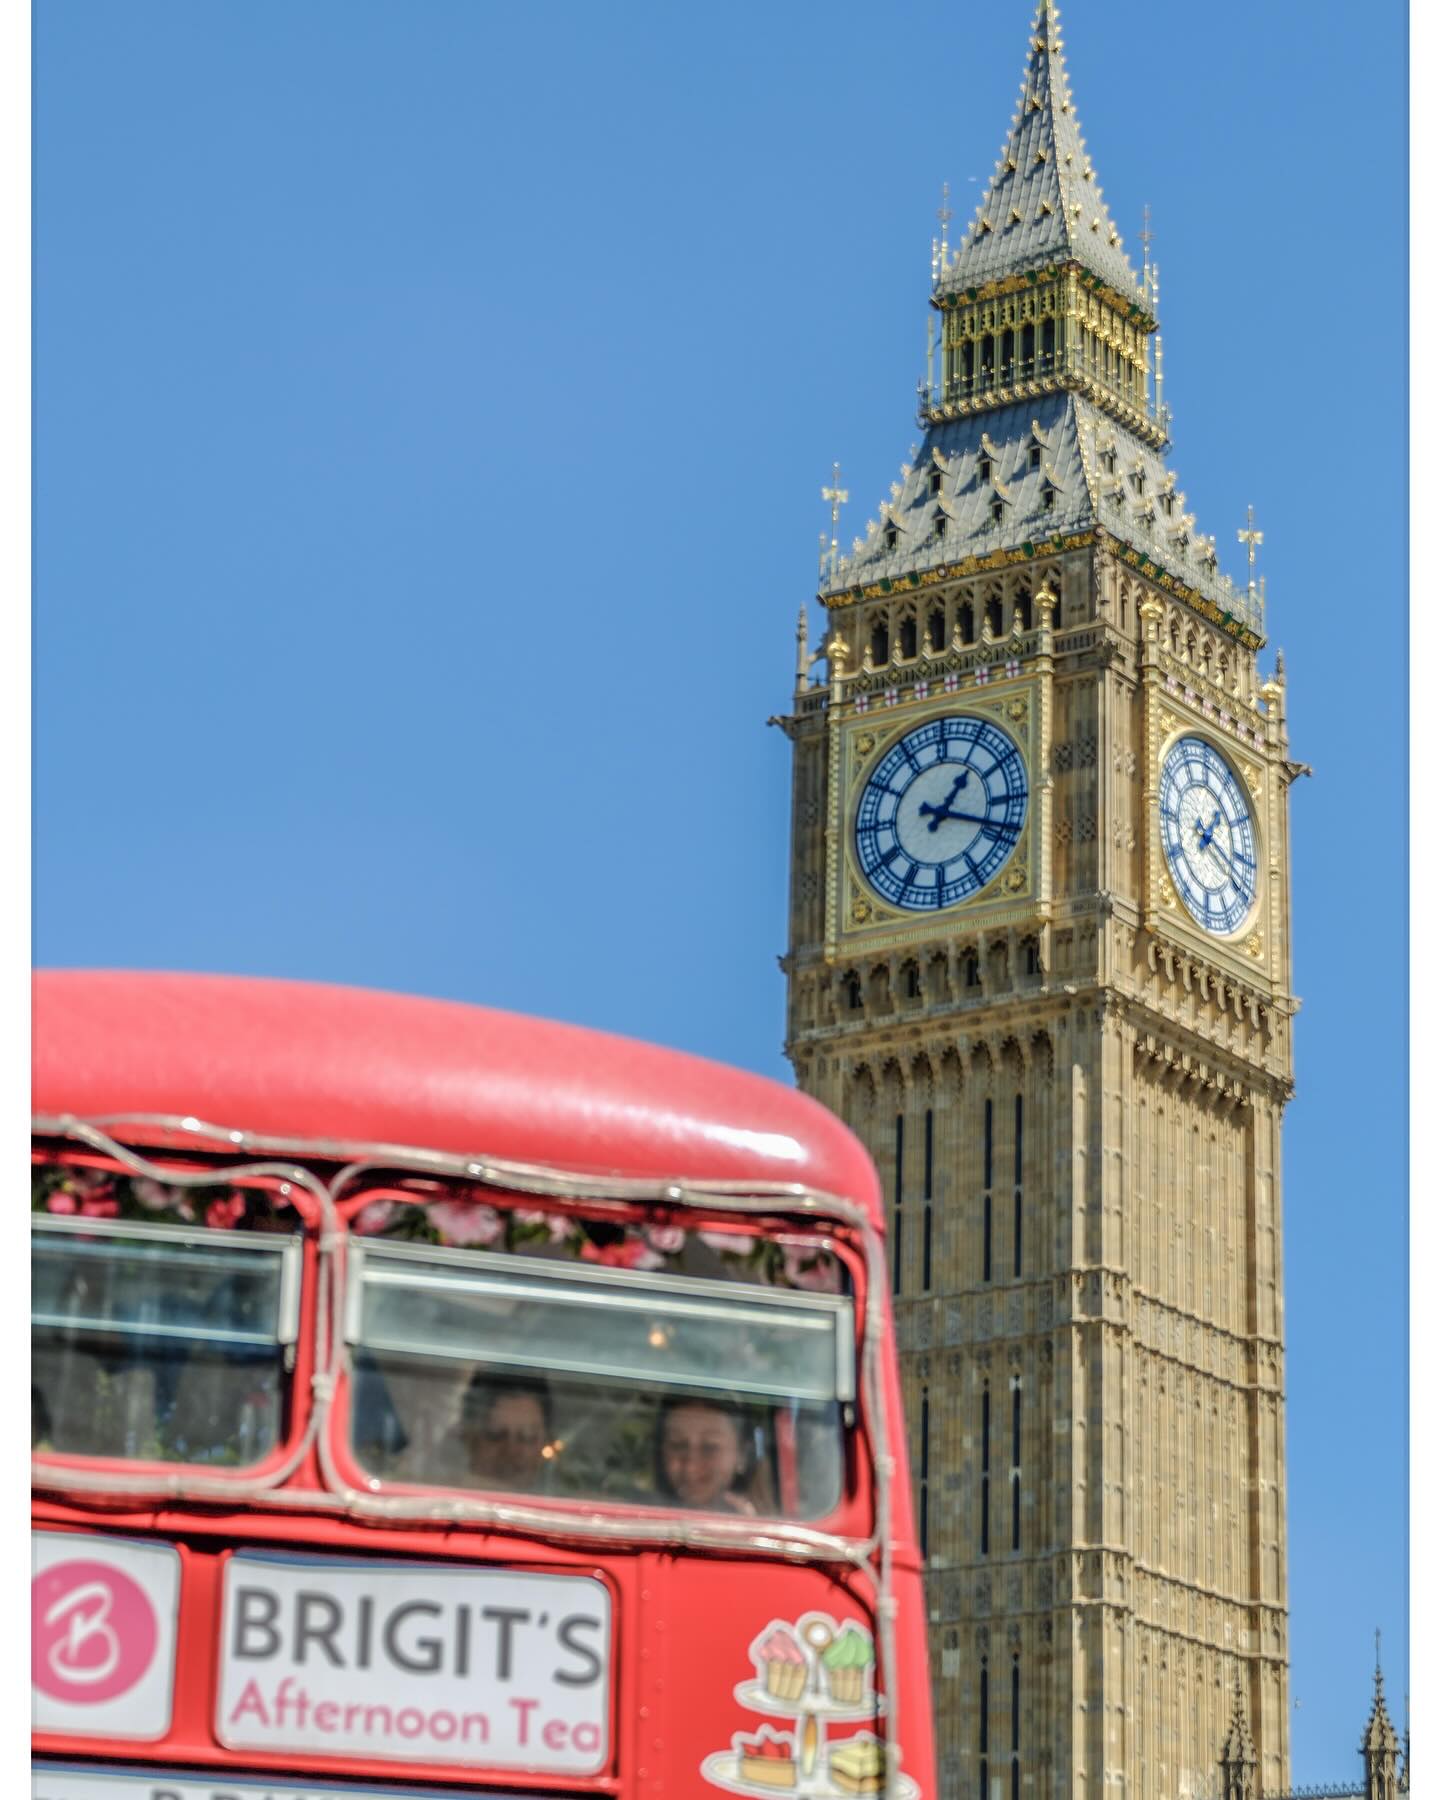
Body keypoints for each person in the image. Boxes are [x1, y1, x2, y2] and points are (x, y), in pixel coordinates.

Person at [450, 1368, 553, 1492]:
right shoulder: (441, 1502)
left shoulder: (570, 1505)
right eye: (495, 1435)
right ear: (469, 1439)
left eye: (526, 1437)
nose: (511, 1451)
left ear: (545, 1442)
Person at [654, 1393, 757, 1514]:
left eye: (709, 1447)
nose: (691, 1468)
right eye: (678, 1445)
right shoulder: (638, 1518)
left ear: (742, 1454)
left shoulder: (767, 1525)